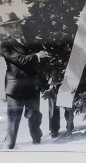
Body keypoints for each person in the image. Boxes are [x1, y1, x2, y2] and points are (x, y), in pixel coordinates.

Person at [0, 12, 50, 149]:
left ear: (21, 26)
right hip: (15, 89)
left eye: (17, 25)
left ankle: (37, 139)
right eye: (11, 27)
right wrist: (37, 55)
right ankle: (8, 146)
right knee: (14, 119)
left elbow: (41, 61)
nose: (15, 29)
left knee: (35, 116)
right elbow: (20, 60)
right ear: (6, 29)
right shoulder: (5, 45)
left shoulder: (31, 41)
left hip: (32, 86)